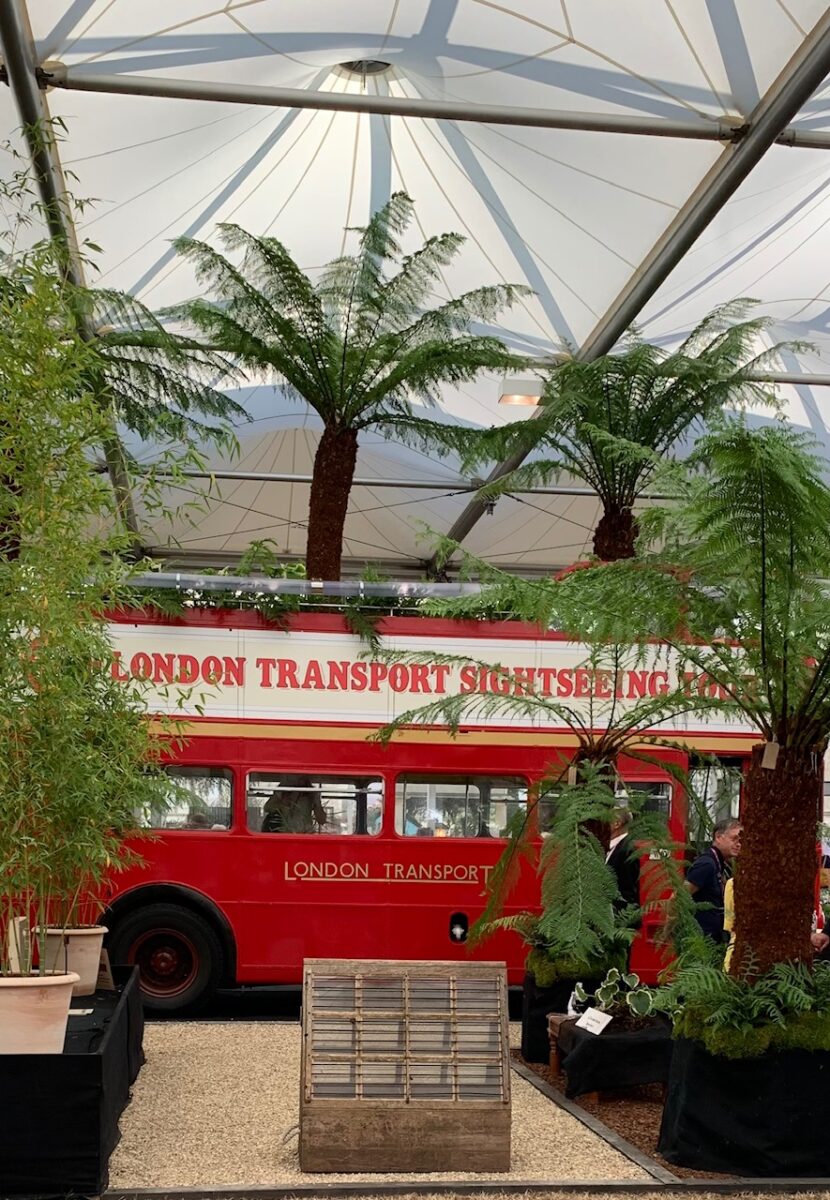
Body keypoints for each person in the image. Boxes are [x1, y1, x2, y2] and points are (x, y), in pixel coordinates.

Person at [685, 817, 742, 942]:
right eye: (734, 839)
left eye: (741, 840)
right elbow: (679, 898)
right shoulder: (707, 864)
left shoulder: (721, 865)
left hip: (712, 939)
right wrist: (668, 932)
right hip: (700, 941)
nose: (738, 844)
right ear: (718, 837)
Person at [261, 776, 326, 833]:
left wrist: (316, 803)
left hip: (305, 833)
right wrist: (282, 804)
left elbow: (321, 820)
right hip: (286, 832)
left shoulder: (312, 793)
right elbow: (267, 807)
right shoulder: (284, 788)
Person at [606, 807, 640, 911]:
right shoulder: (612, 846)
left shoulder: (627, 849)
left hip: (619, 914)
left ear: (616, 823)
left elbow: (627, 890)